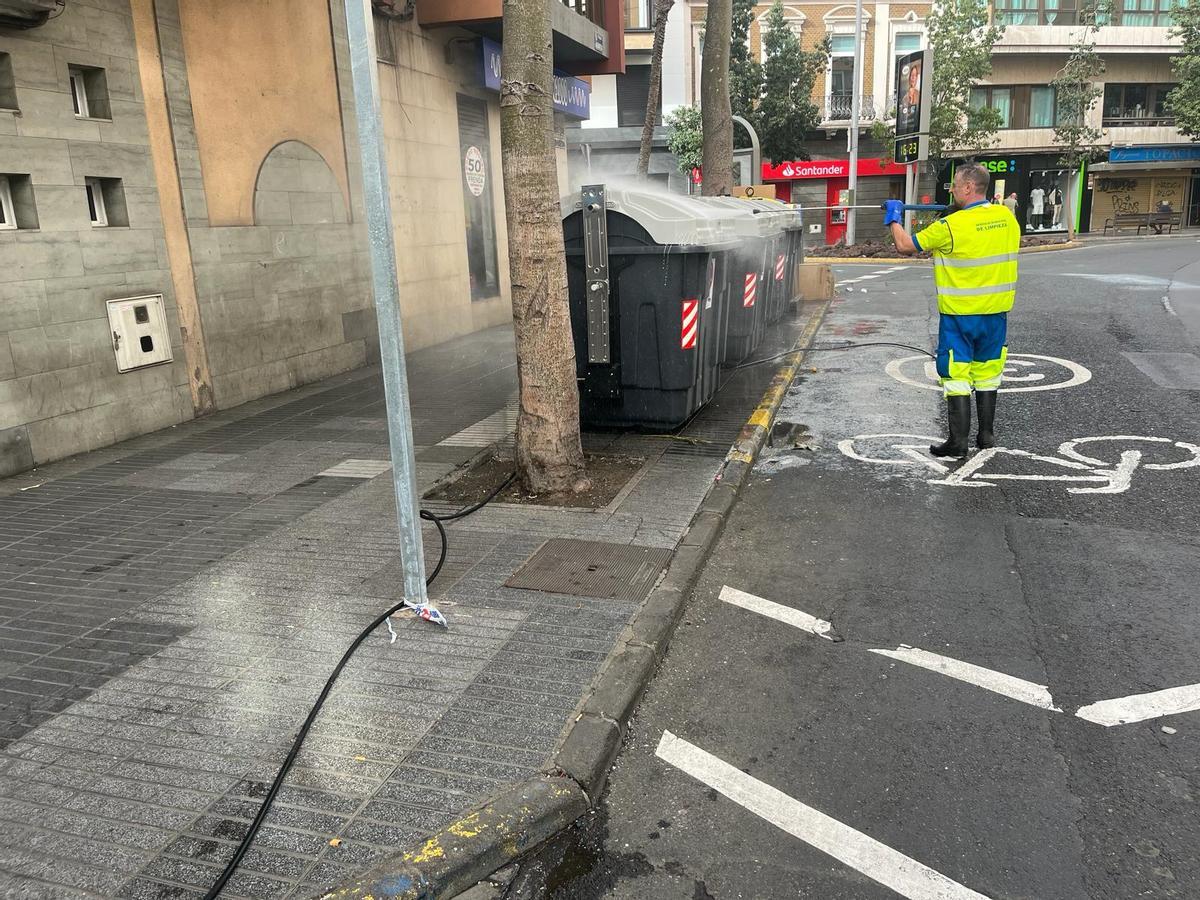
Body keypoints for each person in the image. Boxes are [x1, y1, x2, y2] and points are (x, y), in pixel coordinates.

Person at [883, 163, 1021, 457]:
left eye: (955, 185)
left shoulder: (951, 227)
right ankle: (986, 436)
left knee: (956, 375)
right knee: (987, 372)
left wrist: (894, 217)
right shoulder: (1006, 217)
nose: (952, 190)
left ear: (969, 187)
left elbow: (905, 245)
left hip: (961, 315)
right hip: (996, 314)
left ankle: (957, 443)